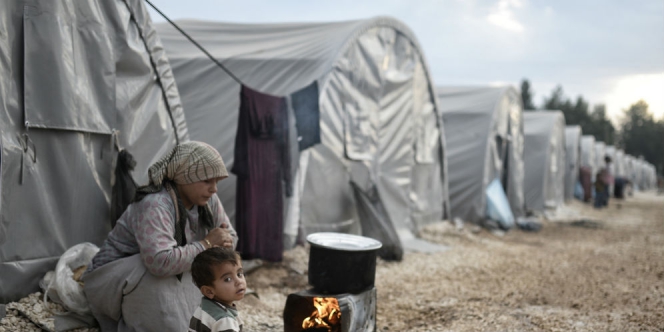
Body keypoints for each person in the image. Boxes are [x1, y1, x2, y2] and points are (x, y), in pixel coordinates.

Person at [83, 141, 238, 332]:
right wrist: (207, 243)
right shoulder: (155, 205)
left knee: (204, 271)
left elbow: (229, 237)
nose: (214, 189)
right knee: (160, 272)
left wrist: (224, 241)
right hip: (111, 280)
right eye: (207, 180)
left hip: (165, 269)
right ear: (183, 177)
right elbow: (159, 261)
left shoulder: (208, 200)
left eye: (216, 181)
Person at [189, 248, 246, 332]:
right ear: (209, 291)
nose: (238, 281)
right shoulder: (224, 320)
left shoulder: (205, 306)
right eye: (228, 279)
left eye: (239, 274)